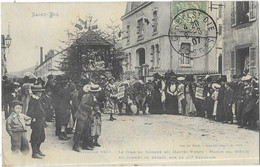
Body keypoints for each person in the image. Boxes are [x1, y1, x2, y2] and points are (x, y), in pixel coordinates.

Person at [73, 84, 101, 152]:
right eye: (97, 92)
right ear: (95, 92)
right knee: (79, 130)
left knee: (86, 130)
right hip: (82, 115)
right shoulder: (88, 96)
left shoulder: (91, 96)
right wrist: (91, 108)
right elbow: (82, 104)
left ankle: (85, 145)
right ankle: (75, 145)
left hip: (86, 115)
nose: (98, 93)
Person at [26, 85, 46, 159]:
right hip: (36, 120)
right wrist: (34, 117)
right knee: (35, 136)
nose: (40, 93)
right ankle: (34, 152)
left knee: (41, 136)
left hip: (40, 119)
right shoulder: (33, 100)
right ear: (36, 92)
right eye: (39, 92)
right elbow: (29, 112)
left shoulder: (38, 99)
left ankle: (38, 150)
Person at [52, 75, 71, 140]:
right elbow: (67, 98)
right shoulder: (64, 90)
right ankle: (62, 133)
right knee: (64, 119)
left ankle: (58, 131)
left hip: (57, 105)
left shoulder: (56, 87)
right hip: (63, 106)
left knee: (58, 118)